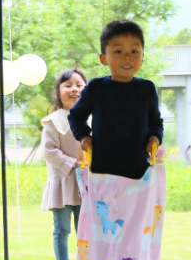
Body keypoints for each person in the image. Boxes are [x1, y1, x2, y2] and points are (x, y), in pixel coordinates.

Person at [68, 20, 164, 180]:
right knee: (101, 206)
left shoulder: (147, 89)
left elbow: (156, 122)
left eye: (134, 51)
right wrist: (84, 136)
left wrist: (155, 136)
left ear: (142, 57)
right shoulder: (95, 87)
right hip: (101, 171)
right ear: (103, 58)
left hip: (139, 172)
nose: (127, 57)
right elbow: (75, 116)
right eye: (118, 51)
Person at [41, 69, 87, 260]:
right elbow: (49, 150)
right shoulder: (53, 120)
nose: (74, 89)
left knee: (85, 228)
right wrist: (73, 164)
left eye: (79, 84)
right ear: (58, 93)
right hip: (63, 182)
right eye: (68, 85)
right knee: (62, 229)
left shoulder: (92, 118)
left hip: (86, 182)